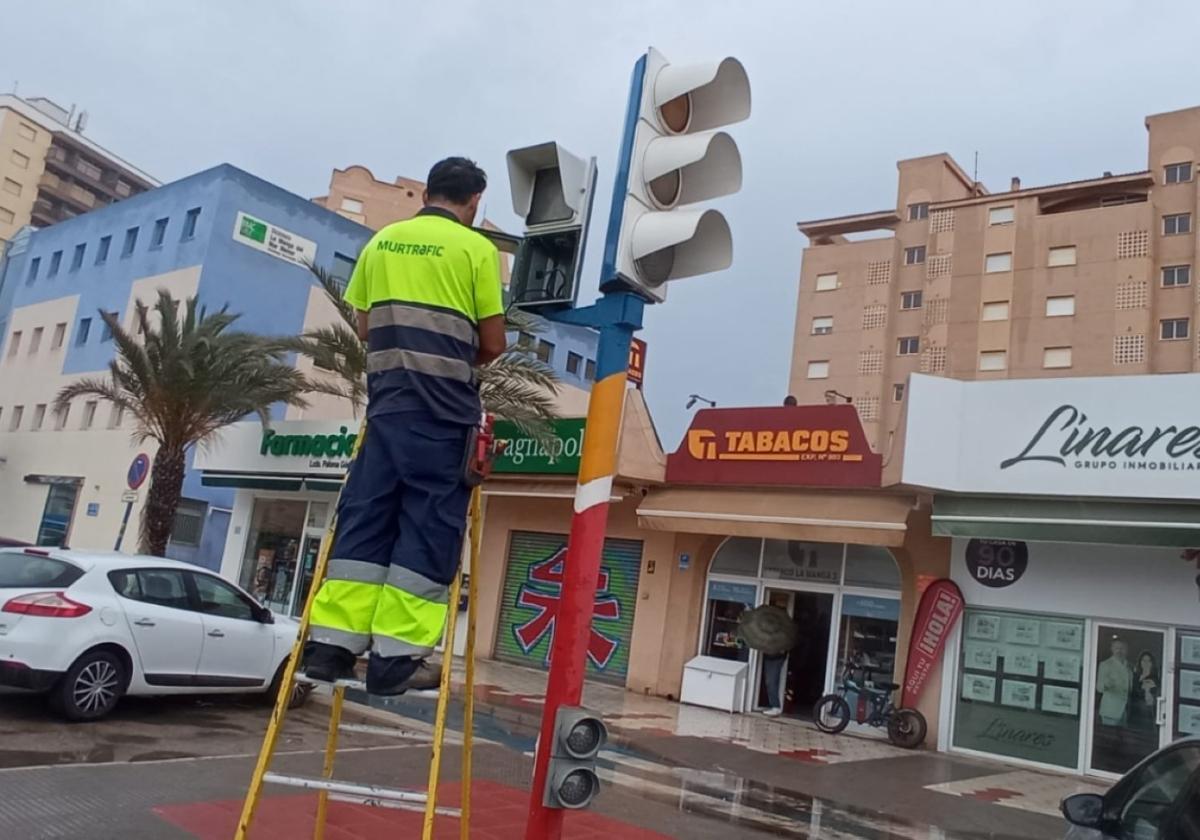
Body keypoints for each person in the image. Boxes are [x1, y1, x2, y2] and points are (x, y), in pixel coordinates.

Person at [302, 157, 506, 695]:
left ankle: (330, 650)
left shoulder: (383, 242)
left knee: (366, 520)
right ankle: (396, 661)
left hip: (386, 409)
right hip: (442, 415)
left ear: (428, 193)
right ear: (474, 202)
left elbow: (367, 326)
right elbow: (493, 342)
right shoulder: (477, 250)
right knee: (428, 526)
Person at [1097, 638, 1134, 726]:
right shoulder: (1105, 664)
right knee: (1109, 737)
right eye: (1116, 648)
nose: (1119, 651)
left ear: (1127, 650)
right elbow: (1099, 688)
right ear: (1112, 649)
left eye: (1122, 648)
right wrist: (1107, 684)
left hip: (1126, 710)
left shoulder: (1129, 665)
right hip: (1111, 711)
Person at [1128, 651, 1160, 731]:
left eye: (1148, 661)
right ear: (1140, 662)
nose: (1146, 663)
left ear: (1152, 663)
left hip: (1149, 715)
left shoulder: (1156, 677)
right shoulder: (1135, 676)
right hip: (1135, 714)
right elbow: (1133, 692)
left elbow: (1156, 693)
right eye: (1143, 660)